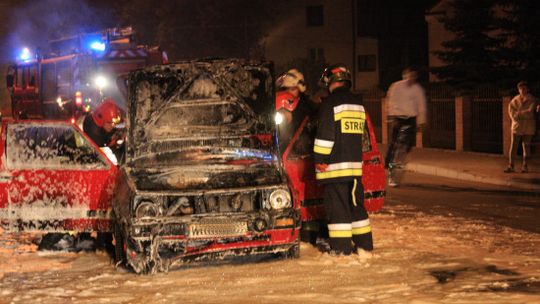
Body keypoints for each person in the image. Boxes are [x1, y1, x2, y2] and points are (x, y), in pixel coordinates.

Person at [313, 64, 373, 255]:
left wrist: (320, 159)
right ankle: (364, 246)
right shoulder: (358, 104)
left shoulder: (330, 103)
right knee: (357, 208)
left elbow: (325, 135)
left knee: (337, 210)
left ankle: (341, 249)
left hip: (335, 168)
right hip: (355, 169)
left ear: (330, 81)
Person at [384, 67, 427, 187]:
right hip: (398, 117)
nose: (411, 79)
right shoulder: (396, 86)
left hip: (411, 119)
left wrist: (421, 122)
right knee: (394, 143)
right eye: (409, 76)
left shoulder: (417, 89)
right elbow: (390, 101)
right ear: (404, 76)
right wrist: (391, 116)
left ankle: (403, 154)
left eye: (413, 76)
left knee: (408, 144)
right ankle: (389, 164)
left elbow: (421, 106)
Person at [275, 69, 317, 152]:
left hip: (300, 152)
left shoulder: (307, 106)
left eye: (292, 89)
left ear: (300, 89)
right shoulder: (279, 106)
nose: (288, 93)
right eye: (285, 89)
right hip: (282, 153)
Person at [504, 81, 537, 173]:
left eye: (524, 88)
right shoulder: (514, 100)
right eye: (520, 88)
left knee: (526, 146)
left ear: (527, 89)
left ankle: (525, 166)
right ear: (518, 90)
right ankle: (511, 165)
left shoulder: (532, 99)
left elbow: (530, 112)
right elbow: (511, 113)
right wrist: (523, 113)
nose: (522, 90)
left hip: (528, 126)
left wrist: (518, 114)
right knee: (513, 145)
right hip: (517, 126)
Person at [81, 98, 125, 163]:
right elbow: (102, 156)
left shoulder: (97, 123)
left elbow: (107, 131)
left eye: (114, 123)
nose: (113, 125)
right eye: (110, 123)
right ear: (101, 120)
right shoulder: (93, 133)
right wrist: (111, 142)